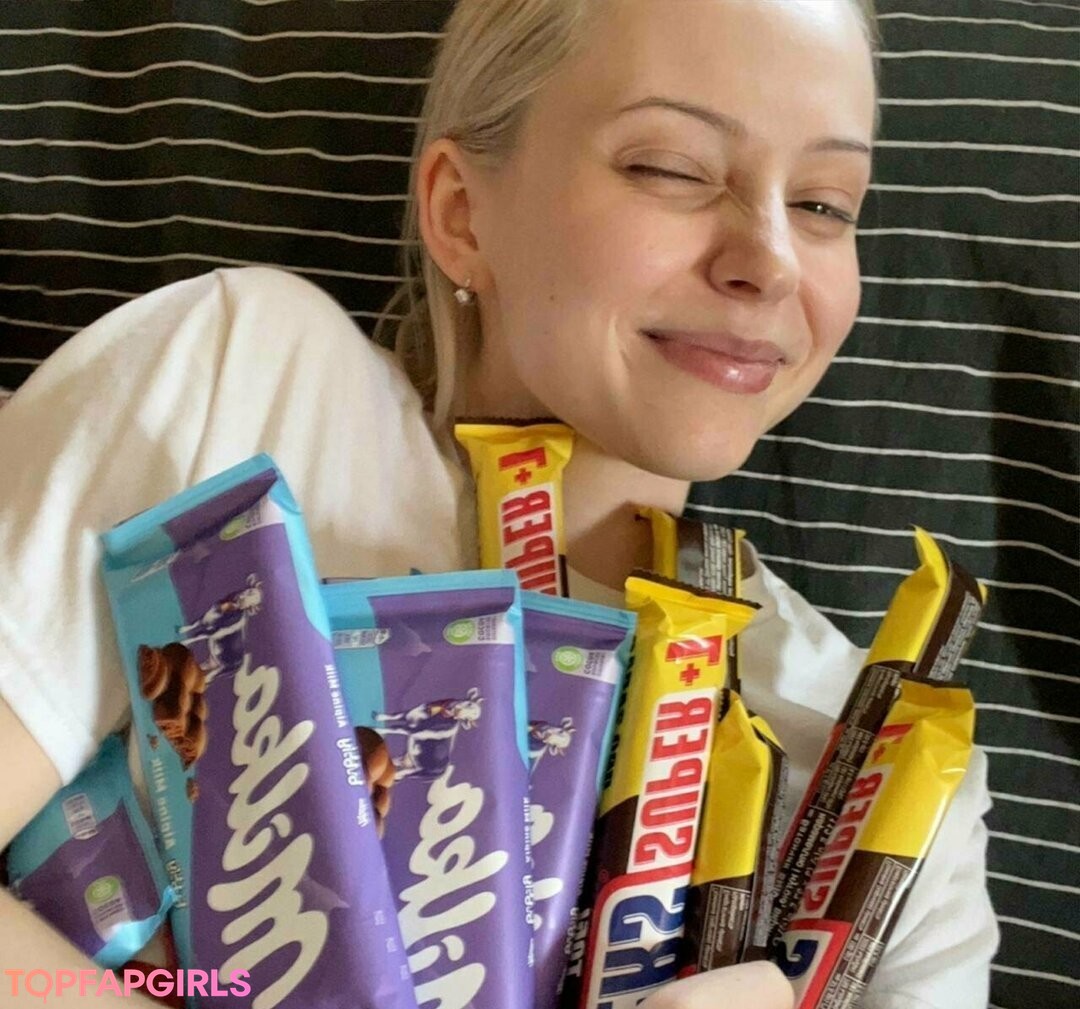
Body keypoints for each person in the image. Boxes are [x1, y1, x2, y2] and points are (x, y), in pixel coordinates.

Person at [0, 1, 996, 1007]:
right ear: (461, 213)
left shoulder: (883, 777)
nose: (772, 259)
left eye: (824, 203)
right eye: (672, 169)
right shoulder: (247, 388)